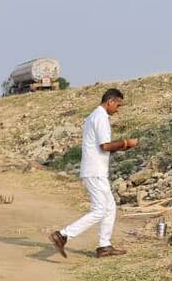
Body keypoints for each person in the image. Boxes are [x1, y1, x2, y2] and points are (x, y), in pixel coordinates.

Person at [50, 89, 139, 258]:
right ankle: (63, 235)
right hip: (95, 171)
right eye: (118, 105)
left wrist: (123, 147)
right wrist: (126, 142)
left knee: (110, 207)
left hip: (95, 170)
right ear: (110, 101)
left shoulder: (95, 116)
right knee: (100, 210)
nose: (118, 110)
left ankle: (104, 246)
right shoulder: (101, 118)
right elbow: (105, 146)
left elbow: (103, 147)